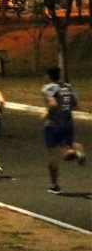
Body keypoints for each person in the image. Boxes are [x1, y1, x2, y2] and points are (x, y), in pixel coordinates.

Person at [41, 66, 85, 194]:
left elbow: (53, 103)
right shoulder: (68, 87)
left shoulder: (48, 88)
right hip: (68, 124)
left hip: (53, 125)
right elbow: (76, 105)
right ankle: (76, 151)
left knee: (53, 155)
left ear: (48, 76)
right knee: (66, 152)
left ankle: (54, 185)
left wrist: (47, 112)